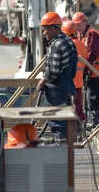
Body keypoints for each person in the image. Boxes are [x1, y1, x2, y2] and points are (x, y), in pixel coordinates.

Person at [37, 12, 77, 141]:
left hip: (57, 88)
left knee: (56, 119)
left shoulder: (56, 45)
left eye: (45, 30)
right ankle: (65, 145)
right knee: (65, 118)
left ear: (53, 29)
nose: (44, 33)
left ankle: (61, 146)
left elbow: (52, 71)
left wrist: (42, 82)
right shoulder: (68, 41)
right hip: (69, 86)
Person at [73, 12, 99, 128]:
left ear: (85, 23)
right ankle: (98, 122)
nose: (77, 28)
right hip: (91, 71)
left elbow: (93, 55)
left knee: (91, 98)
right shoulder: (81, 35)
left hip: (97, 71)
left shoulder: (92, 34)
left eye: (79, 25)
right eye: (75, 26)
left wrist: (85, 69)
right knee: (89, 97)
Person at [62, 21, 88, 121]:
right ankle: (79, 127)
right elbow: (86, 62)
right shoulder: (82, 45)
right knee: (77, 106)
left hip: (68, 81)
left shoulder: (65, 45)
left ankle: (72, 129)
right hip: (79, 81)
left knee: (67, 107)